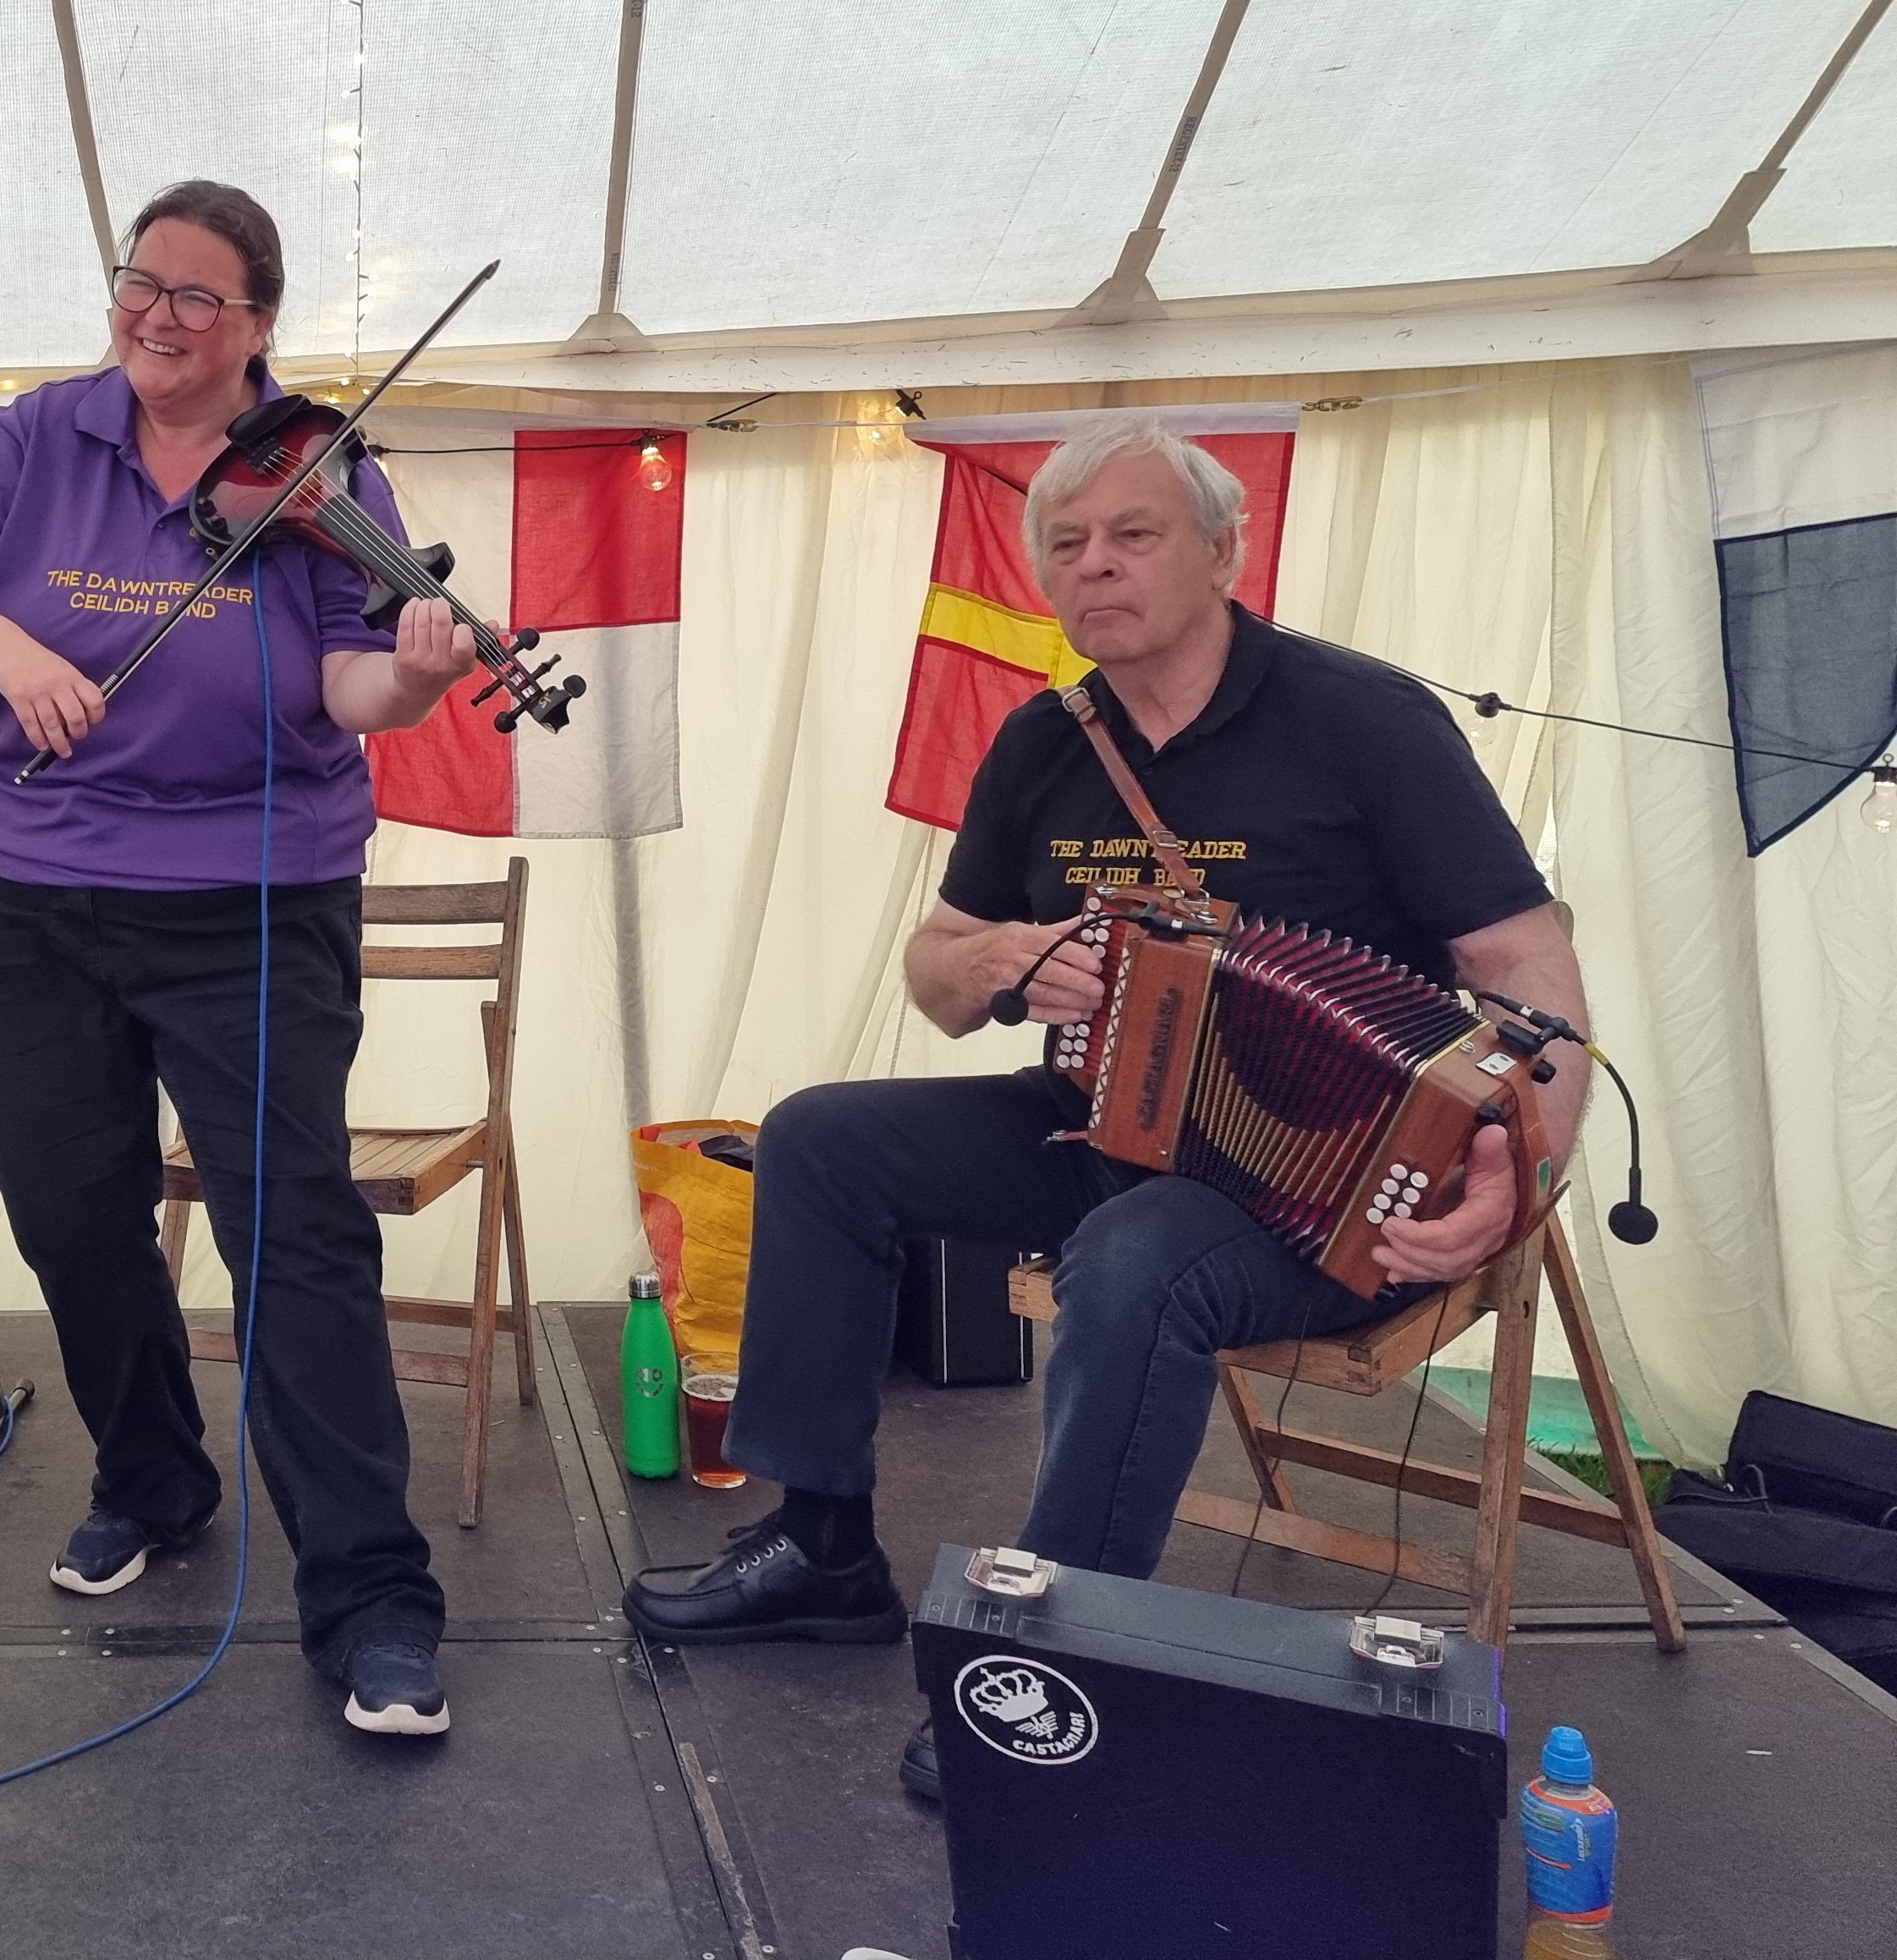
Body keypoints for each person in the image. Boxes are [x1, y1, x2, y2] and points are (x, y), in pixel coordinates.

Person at [622, 410, 1590, 1800]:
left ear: (1223, 547)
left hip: (1324, 1197)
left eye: (1133, 535)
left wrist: (1520, 1169)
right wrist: (1009, 960)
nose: (1096, 567)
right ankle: (824, 1546)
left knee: (1133, 1266)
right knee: (820, 1140)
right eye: (1065, 544)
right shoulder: (1042, 743)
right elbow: (939, 974)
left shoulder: (1360, 722)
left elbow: (1521, 970)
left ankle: (1053, 1665)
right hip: (1106, 1130)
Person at [0, 180, 479, 1738]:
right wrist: (10, 645)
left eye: (197, 298)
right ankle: (154, 1479)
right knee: (73, 1212)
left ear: (259, 324)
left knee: (299, 1237)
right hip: (31, 895)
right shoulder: (37, 436)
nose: (157, 315)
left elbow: (348, 685)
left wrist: (412, 685)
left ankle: (374, 1598)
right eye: (142, 283)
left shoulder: (325, 471)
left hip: (250, 908)